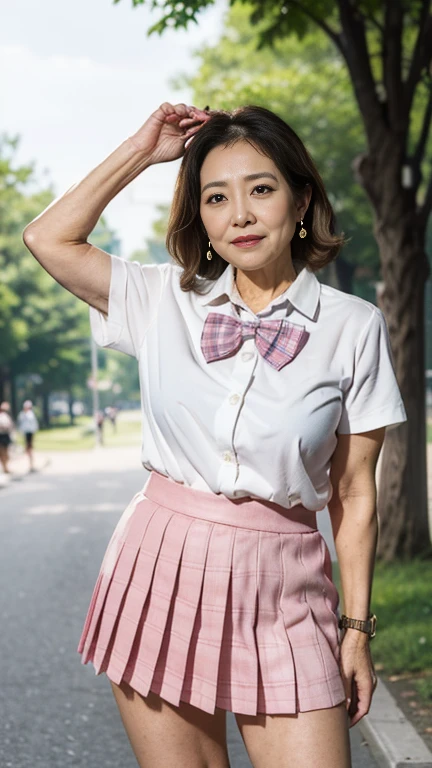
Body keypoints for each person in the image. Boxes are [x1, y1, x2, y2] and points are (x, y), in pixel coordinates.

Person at [23, 102, 407, 768]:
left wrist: (355, 632)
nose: (241, 215)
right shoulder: (162, 298)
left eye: (261, 189)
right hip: (160, 570)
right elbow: (48, 238)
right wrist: (142, 151)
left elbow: (353, 494)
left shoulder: (354, 326)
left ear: (302, 198)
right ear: (199, 216)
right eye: (216, 197)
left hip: (286, 587)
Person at [17, 400, 39, 472]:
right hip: (26, 433)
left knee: (29, 448)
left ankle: (31, 464)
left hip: (29, 433)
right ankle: (29, 464)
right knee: (27, 448)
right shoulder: (23, 414)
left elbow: (33, 425)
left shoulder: (30, 414)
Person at [0, 401, 14, 475]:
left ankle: (5, 467)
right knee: (3, 451)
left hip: (5, 435)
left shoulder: (6, 416)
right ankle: (5, 467)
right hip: (2, 435)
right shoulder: (3, 416)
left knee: (5, 451)